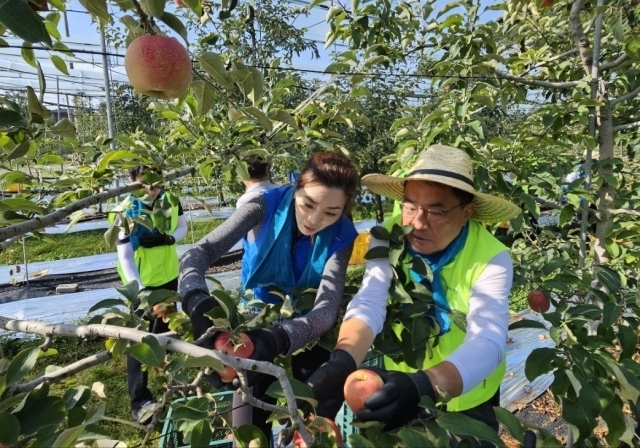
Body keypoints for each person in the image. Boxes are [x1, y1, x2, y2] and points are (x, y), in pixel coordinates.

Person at [305, 145, 521, 446]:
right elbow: (370, 300)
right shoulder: (388, 237)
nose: (418, 222)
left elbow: (488, 339)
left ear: (466, 212)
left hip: (469, 395)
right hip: (398, 388)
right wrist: (343, 360)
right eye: (409, 206)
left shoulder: (491, 257)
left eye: (437, 210)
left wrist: (426, 385)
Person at [178, 151, 360, 441]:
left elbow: (326, 308)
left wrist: (278, 339)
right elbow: (200, 252)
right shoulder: (264, 205)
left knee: (316, 411)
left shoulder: (342, 235)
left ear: (344, 209)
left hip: (307, 324)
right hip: (254, 317)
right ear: (296, 187)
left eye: (331, 212)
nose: (314, 219)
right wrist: (197, 301)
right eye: (307, 204)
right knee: (249, 417)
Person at [108, 165, 188, 424]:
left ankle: (172, 384)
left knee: (170, 333)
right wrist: (140, 290)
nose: (152, 190)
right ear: (132, 182)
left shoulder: (170, 200)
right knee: (139, 343)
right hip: (142, 287)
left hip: (169, 279)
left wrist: (170, 239)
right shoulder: (125, 212)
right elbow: (125, 256)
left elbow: (183, 228)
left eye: (156, 184)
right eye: (145, 184)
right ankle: (140, 402)